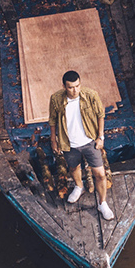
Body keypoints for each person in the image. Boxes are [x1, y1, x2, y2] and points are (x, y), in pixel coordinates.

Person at [48, 70, 113, 220]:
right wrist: (53, 140)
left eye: (77, 86)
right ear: (64, 86)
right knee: (73, 167)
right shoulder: (56, 99)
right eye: (71, 87)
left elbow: (100, 115)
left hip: (90, 141)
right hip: (69, 144)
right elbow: (52, 120)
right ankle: (79, 186)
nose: (75, 90)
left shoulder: (90, 95)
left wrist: (100, 137)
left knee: (101, 174)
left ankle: (102, 203)